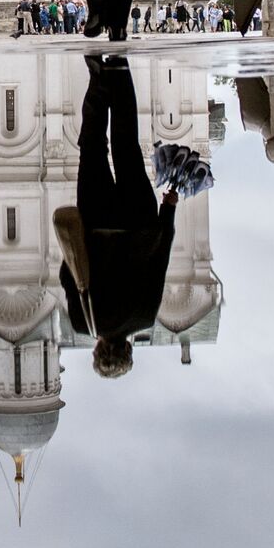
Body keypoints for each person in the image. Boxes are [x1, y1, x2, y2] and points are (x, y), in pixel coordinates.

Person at [55, 56, 179, 379]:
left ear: (129, 349)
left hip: (139, 222)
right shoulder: (84, 322)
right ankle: (98, 80)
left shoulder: (145, 318)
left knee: (127, 147)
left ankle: (119, 71)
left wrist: (169, 209)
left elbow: (160, 263)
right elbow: (69, 275)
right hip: (96, 225)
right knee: (93, 147)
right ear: (97, 350)